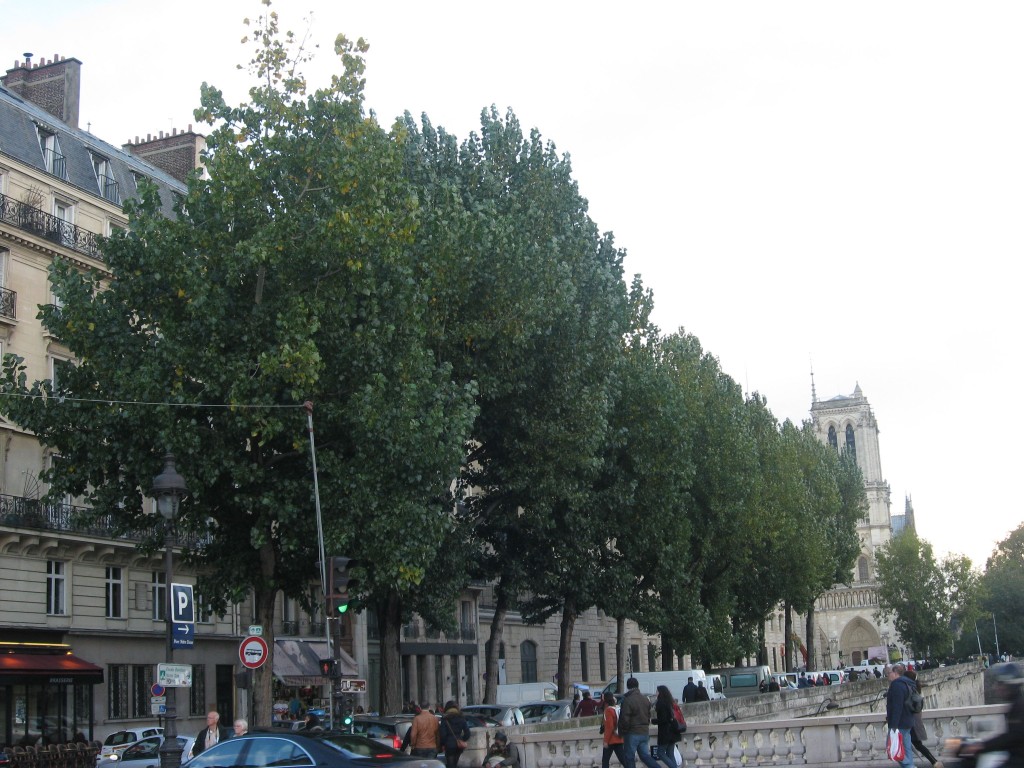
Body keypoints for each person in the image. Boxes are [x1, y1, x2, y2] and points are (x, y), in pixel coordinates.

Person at [961, 662, 1024, 768]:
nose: (996, 687)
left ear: (1009, 685)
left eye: (1000, 683)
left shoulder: (1019, 707)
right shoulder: (1017, 704)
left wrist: (981, 746)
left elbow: (1012, 737)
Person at [617, 677, 660, 768]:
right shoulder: (645, 699)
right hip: (644, 731)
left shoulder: (628, 700)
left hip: (632, 732)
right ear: (637, 685)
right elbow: (648, 715)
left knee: (629, 757)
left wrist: (622, 731)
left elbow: (625, 718)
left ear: (628, 686)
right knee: (645, 756)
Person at [902, 670, 941, 768]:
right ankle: (934, 762)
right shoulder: (914, 688)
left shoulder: (909, 689)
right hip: (915, 721)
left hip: (911, 721)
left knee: (913, 744)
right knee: (915, 744)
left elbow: (907, 705)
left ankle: (934, 762)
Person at [885, 662, 916, 768]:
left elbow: (897, 707)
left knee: (893, 749)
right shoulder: (907, 683)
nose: (888, 675)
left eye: (889, 673)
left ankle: (910, 766)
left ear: (895, 673)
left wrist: (893, 726)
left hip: (899, 723)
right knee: (906, 750)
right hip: (908, 721)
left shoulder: (896, 685)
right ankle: (910, 765)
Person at [653, 685, 681, 768]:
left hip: (665, 732)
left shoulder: (660, 703)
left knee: (660, 753)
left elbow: (663, 719)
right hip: (673, 731)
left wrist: (653, 721)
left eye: (657, 691)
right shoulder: (670, 702)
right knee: (670, 753)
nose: (655, 693)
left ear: (660, 692)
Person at [439, 700, 470, 768]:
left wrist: (443, 743)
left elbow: (443, 734)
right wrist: (462, 739)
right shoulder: (461, 717)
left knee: (450, 763)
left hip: (449, 744)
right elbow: (467, 733)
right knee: (455, 763)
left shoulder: (445, 719)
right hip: (459, 744)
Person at [601, 691, 625, 768]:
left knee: (605, 760)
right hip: (619, 737)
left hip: (611, 739)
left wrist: (606, 741)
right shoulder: (618, 708)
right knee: (623, 759)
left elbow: (609, 727)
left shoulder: (608, 710)